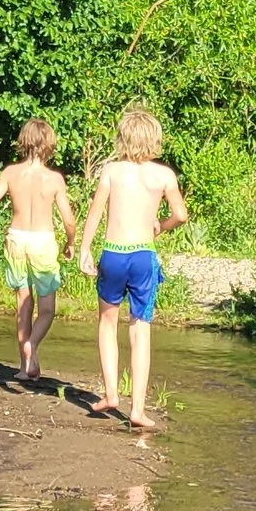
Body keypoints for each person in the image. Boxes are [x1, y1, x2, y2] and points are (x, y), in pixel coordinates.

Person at [76, 105, 188, 432]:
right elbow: (180, 215)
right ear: (155, 139)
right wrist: (160, 226)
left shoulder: (111, 171)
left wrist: (85, 249)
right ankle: (137, 409)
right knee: (140, 330)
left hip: (113, 253)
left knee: (107, 322)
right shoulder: (164, 175)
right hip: (142, 256)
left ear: (122, 138)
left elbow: (96, 212)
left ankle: (111, 394)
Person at [0, 118, 76, 382]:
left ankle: (25, 366)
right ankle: (31, 346)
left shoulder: (10, 174)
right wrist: (71, 242)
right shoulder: (54, 179)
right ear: (49, 144)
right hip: (42, 240)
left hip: (16, 238)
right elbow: (69, 220)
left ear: (23, 142)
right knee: (47, 308)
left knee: (22, 304)